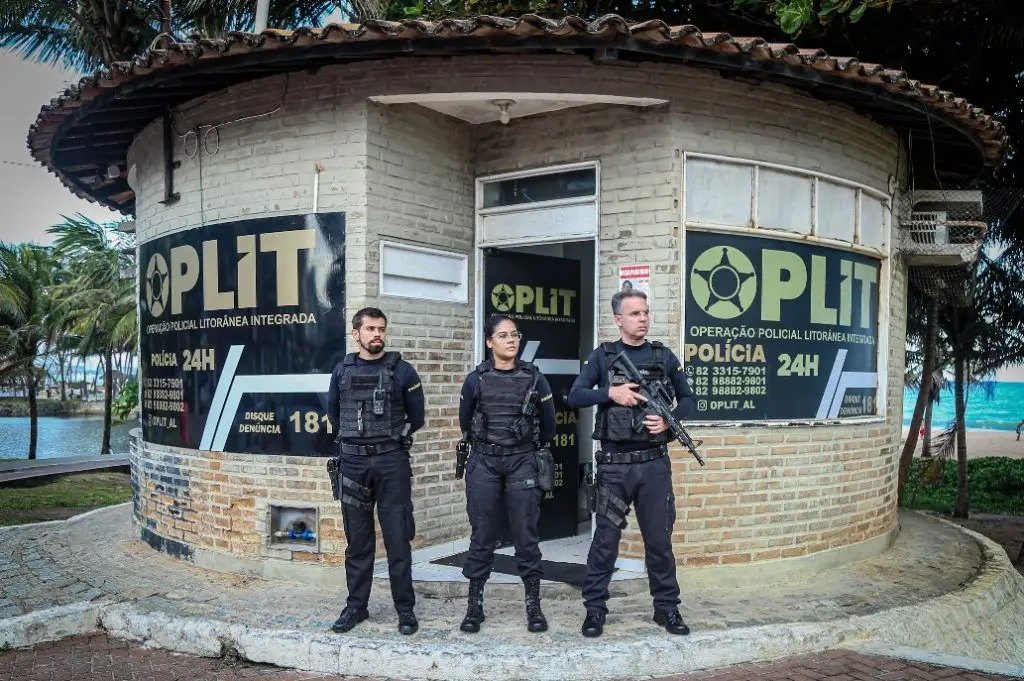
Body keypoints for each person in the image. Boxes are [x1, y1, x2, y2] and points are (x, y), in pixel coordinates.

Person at [568, 289, 696, 638]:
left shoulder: (664, 356)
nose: (643, 318)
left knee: (659, 542)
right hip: (614, 468)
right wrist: (611, 393)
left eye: (645, 312)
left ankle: (667, 609)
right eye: (635, 313)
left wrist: (668, 422)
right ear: (618, 319)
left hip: (654, 465)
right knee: (605, 542)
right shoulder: (602, 356)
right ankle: (595, 610)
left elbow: (688, 398)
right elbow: (575, 395)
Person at [327, 307, 425, 636]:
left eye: (381, 328)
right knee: (358, 542)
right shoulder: (341, 371)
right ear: (356, 334)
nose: (377, 334)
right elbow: (334, 414)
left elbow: (417, 418)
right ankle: (356, 607)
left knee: (398, 539)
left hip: (391, 463)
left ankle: (405, 609)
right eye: (370, 329)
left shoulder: (404, 371)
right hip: (353, 463)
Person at [457, 315, 557, 634]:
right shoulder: (475, 379)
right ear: (489, 342)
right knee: (483, 534)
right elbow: (465, 422)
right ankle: (475, 606)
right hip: (484, 461)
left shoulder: (535, 379)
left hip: (522, 461)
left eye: (515, 335)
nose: (511, 340)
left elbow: (550, 426)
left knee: (526, 535)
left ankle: (533, 605)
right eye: (503, 335)